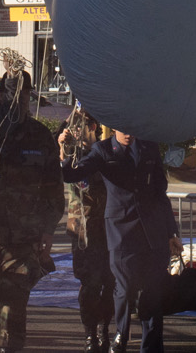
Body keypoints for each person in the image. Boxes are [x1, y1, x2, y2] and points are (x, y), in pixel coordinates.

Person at [0, 69, 65, 353]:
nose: (15, 99)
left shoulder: (40, 135)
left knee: (15, 309)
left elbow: (53, 189)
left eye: (20, 93)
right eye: (9, 92)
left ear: (28, 95)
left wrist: (48, 228)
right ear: (0, 94)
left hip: (23, 240)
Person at [69, 126, 181, 353]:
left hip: (153, 232)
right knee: (125, 285)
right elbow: (73, 174)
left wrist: (172, 233)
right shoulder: (102, 149)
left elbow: (161, 193)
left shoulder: (149, 147)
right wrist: (64, 150)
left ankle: (150, 347)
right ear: (114, 126)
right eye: (123, 128)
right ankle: (122, 332)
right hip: (121, 231)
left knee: (152, 292)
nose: (129, 133)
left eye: (133, 128)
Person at [59, 107, 115, 353]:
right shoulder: (73, 155)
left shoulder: (105, 152)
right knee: (89, 285)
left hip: (109, 230)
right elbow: (62, 168)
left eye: (79, 125)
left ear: (93, 127)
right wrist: (62, 144)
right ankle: (90, 333)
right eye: (71, 126)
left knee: (109, 283)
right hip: (83, 233)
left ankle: (105, 329)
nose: (74, 130)